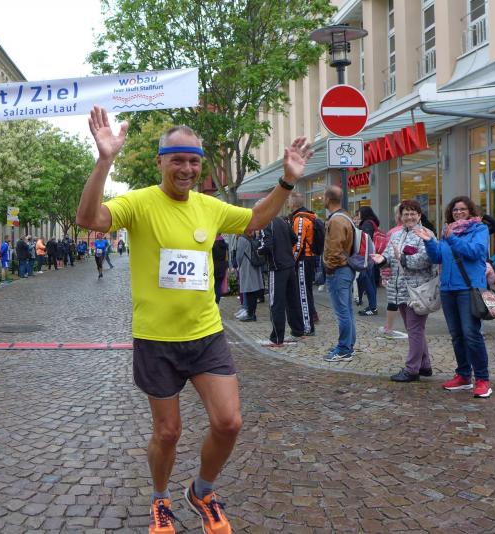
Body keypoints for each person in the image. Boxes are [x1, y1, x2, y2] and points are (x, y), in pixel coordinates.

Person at [76, 106, 312, 534]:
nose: (186, 169)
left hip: (206, 335)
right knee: (168, 433)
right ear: (160, 162)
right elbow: (88, 219)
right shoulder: (139, 203)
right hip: (156, 339)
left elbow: (256, 219)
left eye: (193, 161)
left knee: (229, 422)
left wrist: (287, 180)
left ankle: (202, 491)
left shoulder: (210, 206)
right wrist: (105, 160)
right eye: (177, 160)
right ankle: (160, 498)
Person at [416, 196, 492, 398]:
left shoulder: (479, 229)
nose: (458, 212)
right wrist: (429, 242)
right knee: (457, 335)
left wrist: (452, 239)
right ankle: (464, 375)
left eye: (462, 209)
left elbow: (476, 252)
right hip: (448, 289)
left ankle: (482, 379)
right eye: (455, 210)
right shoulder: (448, 231)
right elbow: (437, 257)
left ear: (470, 211)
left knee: (471, 334)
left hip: (468, 289)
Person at [371, 200, 435, 382]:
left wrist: (404, 259)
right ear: (401, 216)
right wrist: (382, 260)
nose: (409, 217)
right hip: (399, 290)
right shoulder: (396, 235)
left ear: (419, 215)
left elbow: (426, 259)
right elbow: (389, 256)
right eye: (406, 214)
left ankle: (412, 369)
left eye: (413, 213)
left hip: (417, 291)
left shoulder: (426, 234)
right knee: (414, 330)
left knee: (415, 330)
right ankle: (424, 365)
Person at [260, 209, 307, 346]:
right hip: (289, 265)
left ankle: (277, 338)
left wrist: (258, 250)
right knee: (293, 300)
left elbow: (266, 246)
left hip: (277, 267)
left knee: (276, 303)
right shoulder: (282, 221)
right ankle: (298, 331)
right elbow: (294, 239)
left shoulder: (265, 223)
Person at [323, 186, 357, 362]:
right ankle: (348, 345)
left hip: (338, 270)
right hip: (346, 268)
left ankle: (344, 349)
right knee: (347, 310)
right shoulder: (346, 217)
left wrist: (329, 268)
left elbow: (335, 250)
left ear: (328, 199)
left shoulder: (336, 220)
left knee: (342, 312)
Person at [288, 192, 318, 333]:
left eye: (289, 201)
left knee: (303, 293)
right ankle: (309, 322)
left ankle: (307, 326)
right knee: (306, 292)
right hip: (308, 259)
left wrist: (292, 260)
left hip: (303, 260)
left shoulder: (300, 219)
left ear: (294, 203)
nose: (288, 203)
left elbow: (298, 244)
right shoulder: (307, 216)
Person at [378, 206, 408, 339]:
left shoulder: (393, 233)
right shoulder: (397, 233)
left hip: (396, 276)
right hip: (403, 276)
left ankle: (389, 327)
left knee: (394, 301)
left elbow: (387, 256)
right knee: (401, 303)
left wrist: (384, 275)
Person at [356, 206, 380, 316]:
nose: (358, 215)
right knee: (371, 282)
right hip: (372, 256)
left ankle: (372, 307)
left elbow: (365, 241)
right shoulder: (372, 222)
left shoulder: (366, 224)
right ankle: (372, 305)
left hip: (367, 258)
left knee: (367, 281)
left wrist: (361, 259)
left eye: (359, 213)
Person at [236, 229, 264, 321]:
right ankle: (252, 313)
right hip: (254, 266)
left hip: (247, 267)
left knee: (249, 291)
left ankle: (250, 314)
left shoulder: (242, 239)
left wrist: (238, 266)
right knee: (253, 291)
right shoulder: (251, 238)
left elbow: (239, 256)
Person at [212, 234, 229, 304]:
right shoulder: (225, 244)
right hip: (222, 267)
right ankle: (217, 301)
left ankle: (214, 301)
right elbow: (226, 257)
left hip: (214, 266)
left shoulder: (213, 244)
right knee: (218, 285)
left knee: (214, 285)